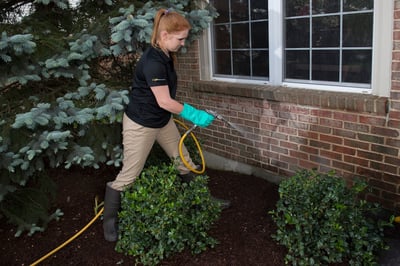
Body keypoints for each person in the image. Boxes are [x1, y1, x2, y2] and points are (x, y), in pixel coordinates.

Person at [103, 8, 230, 242]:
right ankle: (109, 221)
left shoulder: (165, 56)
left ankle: (203, 200)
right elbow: (164, 100)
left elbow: (163, 104)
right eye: (180, 39)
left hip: (162, 120)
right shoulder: (152, 62)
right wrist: (195, 115)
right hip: (141, 124)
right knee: (130, 174)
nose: (183, 44)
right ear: (164, 35)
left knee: (184, 160)